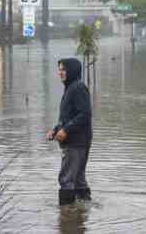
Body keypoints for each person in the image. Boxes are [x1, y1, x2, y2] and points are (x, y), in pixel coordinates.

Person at [47, 58, 93, 206]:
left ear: (72, 71)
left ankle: (66, 216)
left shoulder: (78, 88)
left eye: (63, 69)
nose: (59, 72)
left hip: (76, 142)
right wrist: (55, 130)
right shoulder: (70, 88)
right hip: (78, 140)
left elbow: (85, 114)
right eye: (59, 69)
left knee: (66, 179)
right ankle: (82, 212)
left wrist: (66, 130)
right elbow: (68, 116)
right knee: (78, 179)